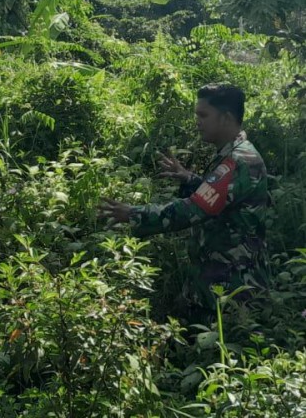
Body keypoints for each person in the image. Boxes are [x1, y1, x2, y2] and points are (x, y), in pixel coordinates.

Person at [99, 83, 270, 311]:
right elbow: (222, 201)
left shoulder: (238, 161)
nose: (197, 121)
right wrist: (190, 179)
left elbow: (193, 210)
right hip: (223, 275)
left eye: (203, 115)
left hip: (233, 285)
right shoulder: (234, 153)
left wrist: (133, 214)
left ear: (226, 118)